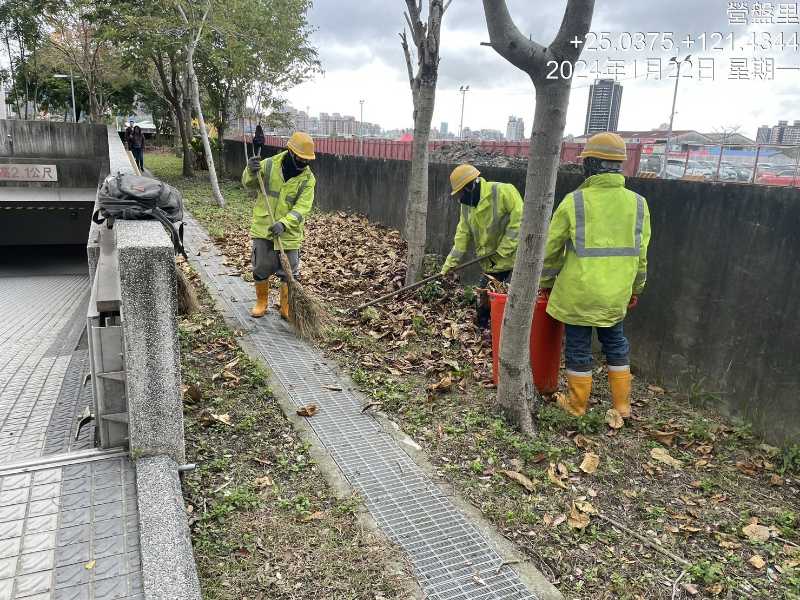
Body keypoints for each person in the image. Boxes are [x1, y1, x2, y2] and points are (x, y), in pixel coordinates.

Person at [539, 132, 651, 420]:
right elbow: (641, 255)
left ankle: (577, 406)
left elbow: (550, 251)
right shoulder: (639, 204)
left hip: (579, 295)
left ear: (591, 165)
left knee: (578, 346)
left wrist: (547, 284)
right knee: (616, 343)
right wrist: (635, 289)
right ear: (619, 165)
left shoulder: (574, 201)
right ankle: (623, 406)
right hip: (616, 295)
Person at [242, 131, 316, 320]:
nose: (303, 164)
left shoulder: (308, 180)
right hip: (264, 228)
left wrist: (284, 223)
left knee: (289, 272)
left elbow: (303, 207)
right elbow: (248, 184)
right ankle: (261, 303)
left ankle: (286, 307)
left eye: (307, 161)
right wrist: (250, 170)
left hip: (289, 234)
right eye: (300, 160)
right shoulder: (269, 164)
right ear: (290, 152)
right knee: (260, 267)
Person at [440, 163, 522, 328]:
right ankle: (485, 333)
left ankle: (493, 335)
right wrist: (449, 265)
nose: (459, 198)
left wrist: (503, 250)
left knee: (501, 301)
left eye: (460, 193)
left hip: (513, 261)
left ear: (470, 187)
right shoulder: (467, 206)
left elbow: (520, 221)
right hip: (490, 263)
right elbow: (462, 234)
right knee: (484, 298)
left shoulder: (503, 191)